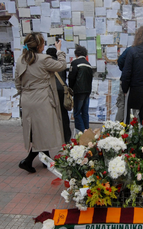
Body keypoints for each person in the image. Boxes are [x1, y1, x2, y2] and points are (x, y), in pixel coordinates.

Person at [15, 34, 66, 173]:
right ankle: (28, 160)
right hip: (42, 98)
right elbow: (62, 65)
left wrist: (24, 93)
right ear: (39, 46)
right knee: (44, 129)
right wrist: (59, 50)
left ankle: (46, 160)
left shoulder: (20, 60)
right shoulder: (44, 59)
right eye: (43, 44)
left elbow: (17, 81)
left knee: (37, 131)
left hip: (27, 98)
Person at [46, 47, 71, 143]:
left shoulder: (46, 63)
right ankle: (66, 137)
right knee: (64, 114)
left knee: (51, 115)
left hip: (51, 90)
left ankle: (52, 137)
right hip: (62, 90)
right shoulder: (60, 63)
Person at [68, 45, 93, 133]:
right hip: (87, 91)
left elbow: (71, 77)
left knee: (77, 112)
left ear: (76, 54)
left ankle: (81, 131)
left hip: (78, 91)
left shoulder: (75, 63)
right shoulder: (89, 65)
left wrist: (70, 89)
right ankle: (87, 130)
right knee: (85, 112)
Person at [115, 46, 131, 123]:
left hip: (125, 80)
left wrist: (124, 69)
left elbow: (120, 61)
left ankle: (118, 126)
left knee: (122, 103)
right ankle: (134, 127)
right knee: (135, 107)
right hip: (139, 83)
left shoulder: (130, 49)